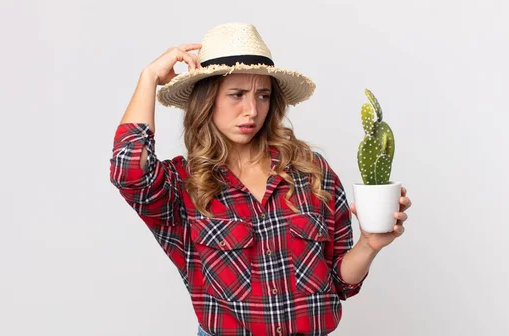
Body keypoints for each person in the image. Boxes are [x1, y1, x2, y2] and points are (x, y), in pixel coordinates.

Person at [109, 23, 411, 336]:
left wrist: (369, 244)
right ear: (206, 100)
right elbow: (128, 170)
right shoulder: (184, 184)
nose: (252, 110)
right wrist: (149, 79)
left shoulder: (310, 172)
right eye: (236, 95)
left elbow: (340, 284)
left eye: (263, 95)